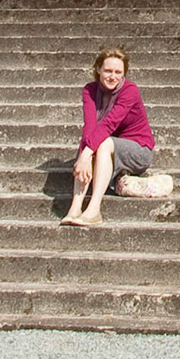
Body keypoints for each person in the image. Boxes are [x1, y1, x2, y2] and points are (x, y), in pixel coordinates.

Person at [62, 44, 155, 227]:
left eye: (118, 72)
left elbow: (109, 123)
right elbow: (90, 127)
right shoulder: (89, 90)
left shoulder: (130, 90)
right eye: (108, 71)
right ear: (98, 70)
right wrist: (85, 156)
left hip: (137, 150)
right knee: (89, 146)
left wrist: (87, 154)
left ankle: (94, 209)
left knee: (101, 144)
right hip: (107, 147)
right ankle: (75, 207)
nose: (113, 76)